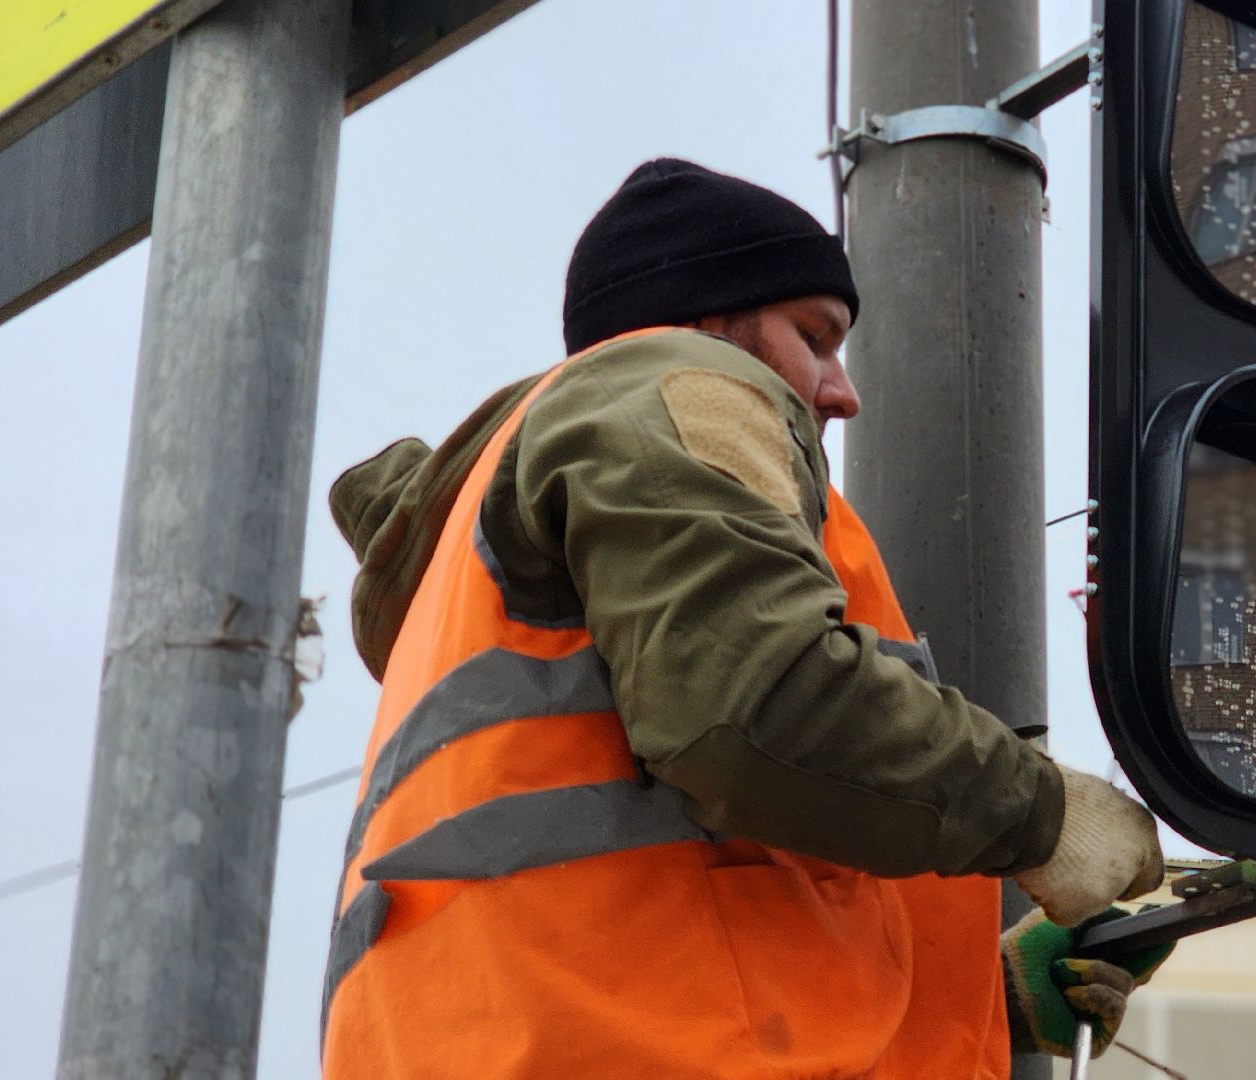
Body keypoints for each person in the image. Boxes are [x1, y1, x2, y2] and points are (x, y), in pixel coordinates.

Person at [320, 157, 1168, 1078]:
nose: (842, 391)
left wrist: (987, 995)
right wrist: (1042, 812)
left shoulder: (485, 578)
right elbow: (761, 707)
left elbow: (675, 888)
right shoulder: (675, 383)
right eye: (815, 335)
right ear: (697, 320)